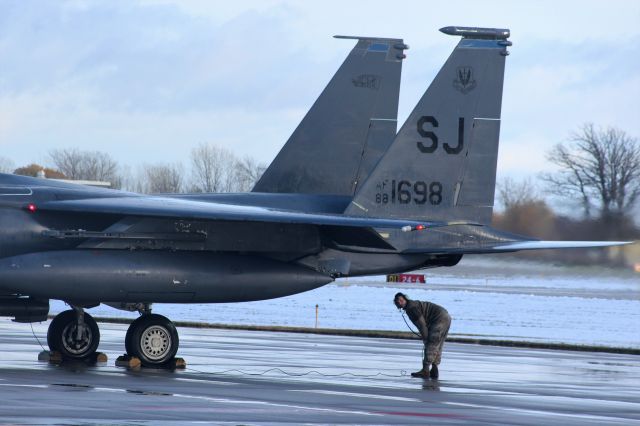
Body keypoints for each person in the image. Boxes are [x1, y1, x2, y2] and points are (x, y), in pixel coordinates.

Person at [394, 292, 451, 379]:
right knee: (438, 345)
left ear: (405, 299)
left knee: (431, 344)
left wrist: (425, 338)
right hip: (445, 316)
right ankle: (434, 370)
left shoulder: (412, 308)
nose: (400, 302)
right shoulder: (413, 305)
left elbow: (422, 325)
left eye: (401, 300)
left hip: (438, 318)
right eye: (398, 301)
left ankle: (425, 370)